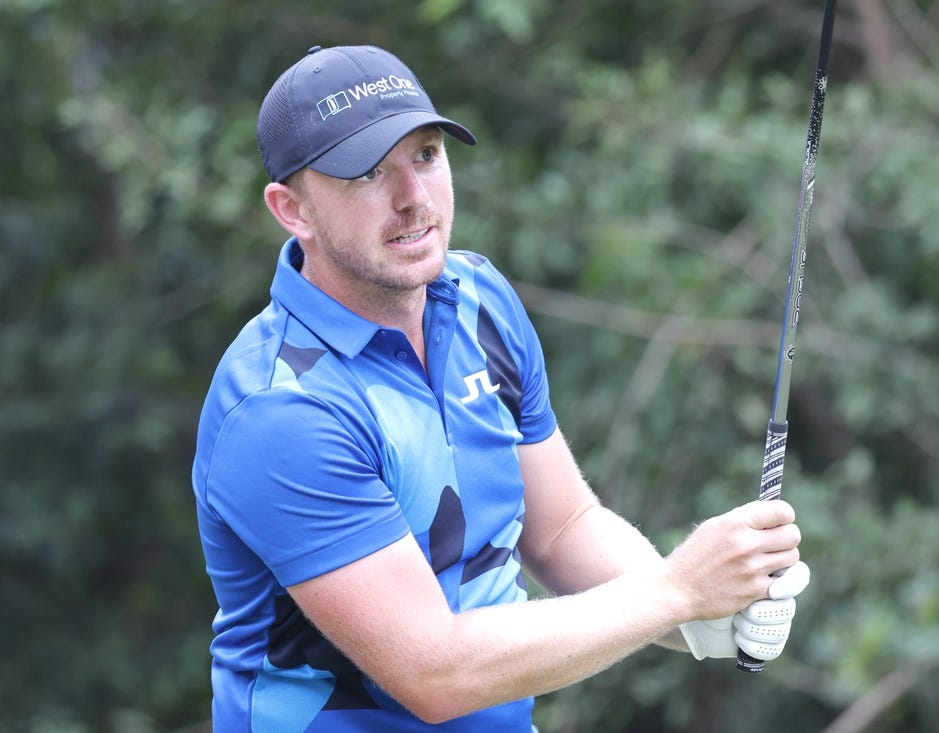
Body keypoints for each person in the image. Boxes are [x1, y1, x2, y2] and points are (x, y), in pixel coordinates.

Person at [191, 44, 810, 732]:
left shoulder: (479, 297)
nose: (414, 198)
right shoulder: (282, 407)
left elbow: (562, 527)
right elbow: (435, 671)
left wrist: (703, 617)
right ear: (291, 209)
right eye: (368, 172)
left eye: (425, 155)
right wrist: (675, 593)